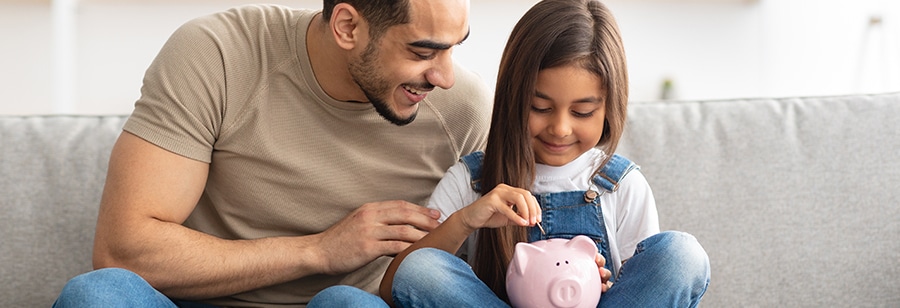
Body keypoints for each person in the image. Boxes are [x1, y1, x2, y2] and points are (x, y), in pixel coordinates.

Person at [53, 0, 492, 307]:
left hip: (347, 304)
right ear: (348, 27)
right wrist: (319, 251)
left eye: (455, 46)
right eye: (422, 51)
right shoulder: (217, 54)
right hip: (192, 303)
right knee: (97, 294)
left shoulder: (465, 110)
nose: (446, 76)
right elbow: (123, 251)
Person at [369, 0, 711, 306]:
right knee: (418, 268)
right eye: (540, 107)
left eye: (582, 113)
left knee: (680, 255)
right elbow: (398, 285)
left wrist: (606, 283)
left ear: (609, 109)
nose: (560, 128)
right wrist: (465, 220)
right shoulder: (472, 181)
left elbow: (641, 289)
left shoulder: (621, 186)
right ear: (513, 98)